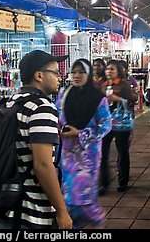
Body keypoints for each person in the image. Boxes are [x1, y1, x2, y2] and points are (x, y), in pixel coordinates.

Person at [0, 50, 73, 229]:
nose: (59, 77)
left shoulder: (12, 101)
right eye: (55, 72)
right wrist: (62, 211)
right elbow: (43, 165)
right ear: (39, 76)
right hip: (31, 211)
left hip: (5, 202)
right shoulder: (42, 108)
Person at [56, 59, 112, 229]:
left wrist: (80, 133)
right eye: (74, 72)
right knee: (69, 197)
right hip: (67, 154)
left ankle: (98, 221)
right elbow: (57, 115)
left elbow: (106, 125)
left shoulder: (98, 98)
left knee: (83, 197)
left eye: (81, 72)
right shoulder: (64, 94)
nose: (77, 75)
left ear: (88, 75)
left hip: (87, 156)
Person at [99, 60, 138, 194]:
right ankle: (103, 182)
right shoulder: (103, 85)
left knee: (122, 152)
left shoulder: (124, 85)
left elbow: (134, 99)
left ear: (118, 71)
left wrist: (118, 99)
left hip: (121, 123)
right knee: (102, 152)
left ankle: (123, 181)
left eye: (112, 69)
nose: (108, 72)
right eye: (107, 69)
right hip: (105, 123)